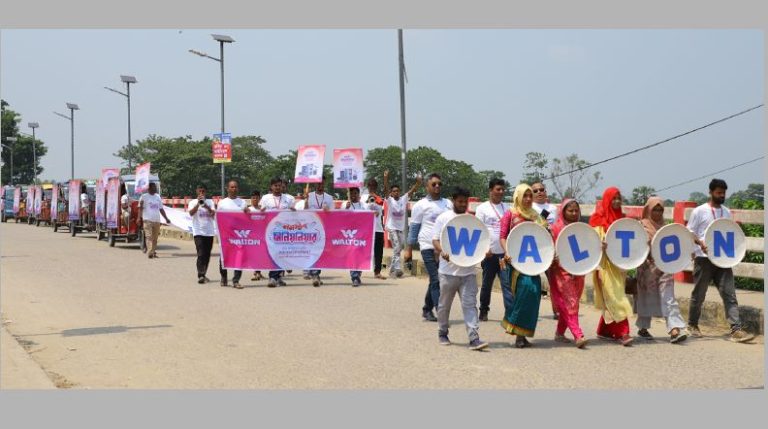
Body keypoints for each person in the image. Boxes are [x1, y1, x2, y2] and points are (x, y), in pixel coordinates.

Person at [686, 179, 755, 343]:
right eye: (718, 192)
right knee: (699, 294)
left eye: (723, 192)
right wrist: (699, 243)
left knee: (729, 294)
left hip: (723, 260)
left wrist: (736, 253)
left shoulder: (726, 212)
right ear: (710, 192)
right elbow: (689, 232)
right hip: (704, 259)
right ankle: (692, 325)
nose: (722, 195)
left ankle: (736, 329)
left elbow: (729, 233)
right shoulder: (699, 211)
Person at [432, 186, 490, 351]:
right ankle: (442, 332)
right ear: (453, 201)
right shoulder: (443, 218)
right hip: (447, 272)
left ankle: (474, 338)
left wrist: (485, 252)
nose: (463, 204)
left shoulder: (472, 220)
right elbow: (435, 240)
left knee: (470, 305)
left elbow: (481, 242)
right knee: (444, 305)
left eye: (466, 201)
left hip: (468, 272)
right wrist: (441, 251)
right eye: (460, 201)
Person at [499, 184, 548, 348]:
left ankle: (524, 333)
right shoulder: (510, 214)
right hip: (516, 263)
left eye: (530, 196)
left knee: (534, 295)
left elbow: (544, 237)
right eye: (525, 196)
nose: (528, 199)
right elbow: (503, 236)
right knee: (524, 292)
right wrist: (506, 252)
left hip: (533, 263)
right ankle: (517, 334)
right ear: (518, 197)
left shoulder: (537, 216)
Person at [634, 196, 688, 344]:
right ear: (648, 210)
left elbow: (680, 240)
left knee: (668, 297)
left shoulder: (666, 228)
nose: (657, 212)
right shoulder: (641, 227)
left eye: (660, 209)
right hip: (647, 269)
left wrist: (689, 250)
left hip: (665, 268)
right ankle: (643, 327)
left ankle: (674, 329)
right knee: (646, 297)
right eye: (655, 209)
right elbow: (635, 247)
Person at [589, 187, 634, 346]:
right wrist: (599, 244)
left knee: (613, 296)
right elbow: (591, 243)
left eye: (619, 198)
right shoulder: (597, 220)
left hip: (619, 267)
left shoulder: (622, 220)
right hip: (604, 266)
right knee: (616, 297)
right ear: (607, 200)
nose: (616, 201)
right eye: (613, 198)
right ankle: (624, 333)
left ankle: (604, 330)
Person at [409, 173, 453, 322]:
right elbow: (414, 227)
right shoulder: (420, 205)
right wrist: (408, 249)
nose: (437, 186)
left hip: (443, 247)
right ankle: (440, 312)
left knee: (435, 280)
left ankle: (426, 310)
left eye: (439, 184)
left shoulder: (448, 203)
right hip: (427, 245)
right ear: (427, 186)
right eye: (433, 184)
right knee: (436, 279)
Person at [547, 199, 589, 348]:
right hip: (561, 271)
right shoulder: (555, 228)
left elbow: (588, 246)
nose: (574, 213)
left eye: (576, 210)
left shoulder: (581, 228)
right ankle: (578, 335)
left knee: (573, 302)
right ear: (563, 211)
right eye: (570, 210)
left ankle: (559, 333)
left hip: (578, 270)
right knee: (571, 303)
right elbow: (549, 248)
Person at [473, 178, 509, 322]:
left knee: (507, 285)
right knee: (487, 284)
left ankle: (510, 313)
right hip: (489, 254)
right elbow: (478, 230)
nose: (501, 192)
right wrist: (484, 249)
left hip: (504, 255)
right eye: (498, 189)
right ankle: (483, 311)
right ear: (490, 190)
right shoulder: (482, 208)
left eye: (502, 189)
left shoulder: (507, 208)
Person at [382, 170, 421, 278]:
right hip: (392, 227)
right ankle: (398, 269)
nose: (396, 192)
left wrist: (418, 183)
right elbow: (385, 190)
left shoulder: (403, 199)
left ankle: (391, 269)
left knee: (398, 249)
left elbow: (412, 190)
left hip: (400, 228)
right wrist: (385, 178)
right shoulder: (390, 200)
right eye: (393, 191)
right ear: (391, 192)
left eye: (397, 191)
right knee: (397, 247)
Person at [259, 177, 296, 287]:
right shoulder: (265, 198)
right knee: (274, 253)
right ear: (271, 187)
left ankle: (278, 277)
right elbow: (260, 211)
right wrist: (261, 211)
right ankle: (272, 277)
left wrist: (293, 211)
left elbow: (293, 212)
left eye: (279, 185)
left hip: (284, 231)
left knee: (282, 254)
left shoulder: (288, 198)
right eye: (275, 185)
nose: (277, 188)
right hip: (270, 230)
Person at [531, 182, 558, 319]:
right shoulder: (529, 207)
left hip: (550, 249)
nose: (540, 192)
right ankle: (532, 312)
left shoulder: (553, 208)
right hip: (534, 249)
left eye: (542, 189)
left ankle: (557, 311)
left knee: (553, 281)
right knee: (532, 283)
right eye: (536, 191)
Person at [216, 180, 250, 289]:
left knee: (239, 256)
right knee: (224, 255)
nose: (234, 189)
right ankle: (224, 277)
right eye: (231, 187)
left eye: (235, 187)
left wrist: (248, 212)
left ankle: (236, 280)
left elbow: (247, 217)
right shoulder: (222, 203)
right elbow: (217, 218)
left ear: (238, 188)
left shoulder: (242, 202)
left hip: (239, 235)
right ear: (227, 189)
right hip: (226, 235)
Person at [302, 177, 334, 286]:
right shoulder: (309, 196)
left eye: (322, 183)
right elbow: (304, 210)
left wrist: (327, 211)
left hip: (322, 229)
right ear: (315, 184)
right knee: (309, 251)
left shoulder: (329, 198)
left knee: (318, 252)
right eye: (318, 183)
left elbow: (333, 214)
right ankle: (310, 271)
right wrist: (305, 200)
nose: (320, 185)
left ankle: (315, 274)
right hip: (309, 228)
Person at [188, 184, 216, 284]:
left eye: (203, 191)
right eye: (199, 191)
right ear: (196, 191)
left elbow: (213, 214)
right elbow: (191, 213)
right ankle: (200, 275)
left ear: (206, 192)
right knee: (201, 253)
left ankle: (204, 273)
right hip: (198, 232)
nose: (201, 193)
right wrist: (198, 205)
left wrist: (206, 206)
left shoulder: (210, 202)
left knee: (207, 254)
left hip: (209, 232)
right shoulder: (192, 202)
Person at [361, 177, 386, 279]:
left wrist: (374, 196)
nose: (372, 187)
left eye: (374, 186)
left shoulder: (378, 198)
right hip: (366, 228)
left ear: (376, 187)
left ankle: (377, 272)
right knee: (362, 249)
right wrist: (368, 200)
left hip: (378, 228)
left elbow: (381, 204)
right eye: (370, 186)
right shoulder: (362, 198)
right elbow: (361, 210)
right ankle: (359, 269)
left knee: (378, 251)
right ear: (367, 187)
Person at [138, 182, 171, 260]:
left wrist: (166, 218)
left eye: (155, 187)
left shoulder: (157, 197)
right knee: (149, 236)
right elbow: (140, 208)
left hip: (156, 220)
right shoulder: (143, 197)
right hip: (147, 220)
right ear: (149, 188)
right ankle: (150, 252)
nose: (155, 188)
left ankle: (152, 251)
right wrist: (139, 218)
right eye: (154, 187)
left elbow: (161, 209)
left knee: (155, 238)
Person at [345, 187, 369, 287]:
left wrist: (374, 214)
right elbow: (340, 218)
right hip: (350, 235)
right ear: (349, 195)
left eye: (355, 193)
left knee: (361, 256)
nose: (353, 195)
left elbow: (369, 216)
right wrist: (346, 209)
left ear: (358, 195)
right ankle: (354, 277)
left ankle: (357, 274)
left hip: (362, 235)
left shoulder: (364, 205)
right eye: (352, 194)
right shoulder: (346, 205)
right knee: (353, 255)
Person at [248, 190, 264, 282]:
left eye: (256, 198)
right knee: (254, 255)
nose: (254, 199)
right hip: (251, 236)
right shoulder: (248, 209)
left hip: (261, 235)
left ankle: (258, 272)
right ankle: (256, 272)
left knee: (260, 255)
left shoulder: (262, 209)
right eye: (253, 198)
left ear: (259, 199)